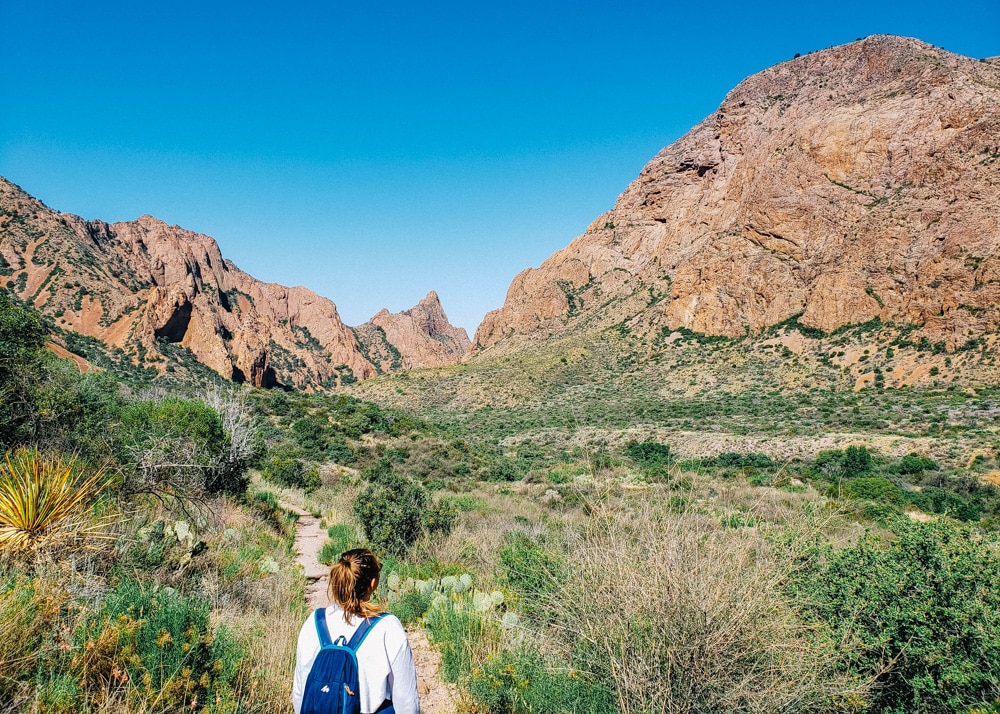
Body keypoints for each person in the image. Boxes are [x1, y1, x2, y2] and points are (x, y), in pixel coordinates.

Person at [292, 548, 420, 714]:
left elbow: (300, 693)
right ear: (373, 583)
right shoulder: (387, 627)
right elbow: (407, 702)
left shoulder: (314, 621)